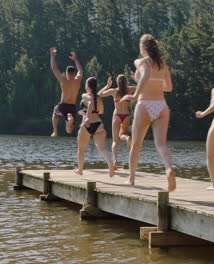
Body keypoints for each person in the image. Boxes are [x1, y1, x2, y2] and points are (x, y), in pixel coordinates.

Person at [121, 34, 176, 192]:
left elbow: (145, 75)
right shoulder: (162, 63)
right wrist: (144, 83)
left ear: (143, 47)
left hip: (145, 104)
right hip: (161, 105)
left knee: (136, 145)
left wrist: (135, 95)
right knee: (161, 144)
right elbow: (168, 87)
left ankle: (131, 179)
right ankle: (169, 168)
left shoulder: (140, 61)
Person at [74, 77, 115, 177]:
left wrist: (87, 117)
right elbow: (100, 111)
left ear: (87, 86)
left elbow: (90, 103)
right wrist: (106, 86)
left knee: (81, 150)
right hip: (98, 125)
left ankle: (80, 170)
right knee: (101, 149)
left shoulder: (84, 95)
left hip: (87, 125)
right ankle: (110, 165)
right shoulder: (98, 98)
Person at [98, 75, 136, 170]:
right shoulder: (130, 89)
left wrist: (107, 86)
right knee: (122, 134)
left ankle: (115, 160)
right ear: (126, 81)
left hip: (117, 116)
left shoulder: (114, 91)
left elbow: (99, 94)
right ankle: (127, 138)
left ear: (117, 82)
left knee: (115, 140)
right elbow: (142, 87)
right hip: (126, 116)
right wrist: (136, 78)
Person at [50, 48, 83, 137]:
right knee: (69, 130)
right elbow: (81, 71)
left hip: (63, 106)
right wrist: (76, 60)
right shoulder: (78, 81)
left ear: (67, 73)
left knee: (55, 112)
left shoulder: (64, 80)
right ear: (74, 73)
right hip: (72, 107)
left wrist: (52, 56)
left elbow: (54, 68)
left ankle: (55, 131)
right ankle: (69, 119)